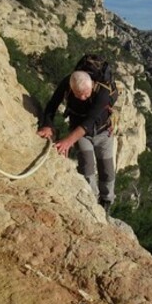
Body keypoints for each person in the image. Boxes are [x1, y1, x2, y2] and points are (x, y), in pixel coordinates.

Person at [37, 70, 115, 213]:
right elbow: (53, 104)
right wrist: (47, 124)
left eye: (86, 93)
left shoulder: (103, 92)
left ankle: (106, 200)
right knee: (87, 166)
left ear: (91, 84)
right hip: (80, 133)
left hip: (103, 132)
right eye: (79, 94)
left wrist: (67, 142)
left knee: (107, 169)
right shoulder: (68, 83)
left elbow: (90, 121)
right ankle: (92, 200)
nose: (84, 98)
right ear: (72, 88)